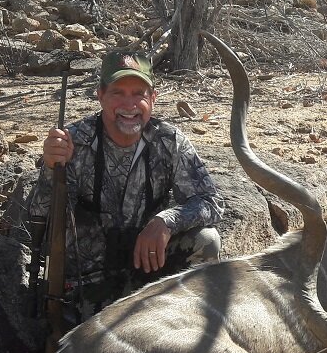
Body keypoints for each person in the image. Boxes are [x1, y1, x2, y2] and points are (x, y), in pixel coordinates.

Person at [29, 51, 223, 325]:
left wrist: (165, 221)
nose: (129, 105)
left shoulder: (169, 141)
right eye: (118, 93)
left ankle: (189, 333)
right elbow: (41, 213)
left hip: (148, 277)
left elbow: (211, 202)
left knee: (207, 240)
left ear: (152, 98)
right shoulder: (72, 142)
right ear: (100, 96)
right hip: (87, 286)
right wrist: (51, 167)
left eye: (139, 94)